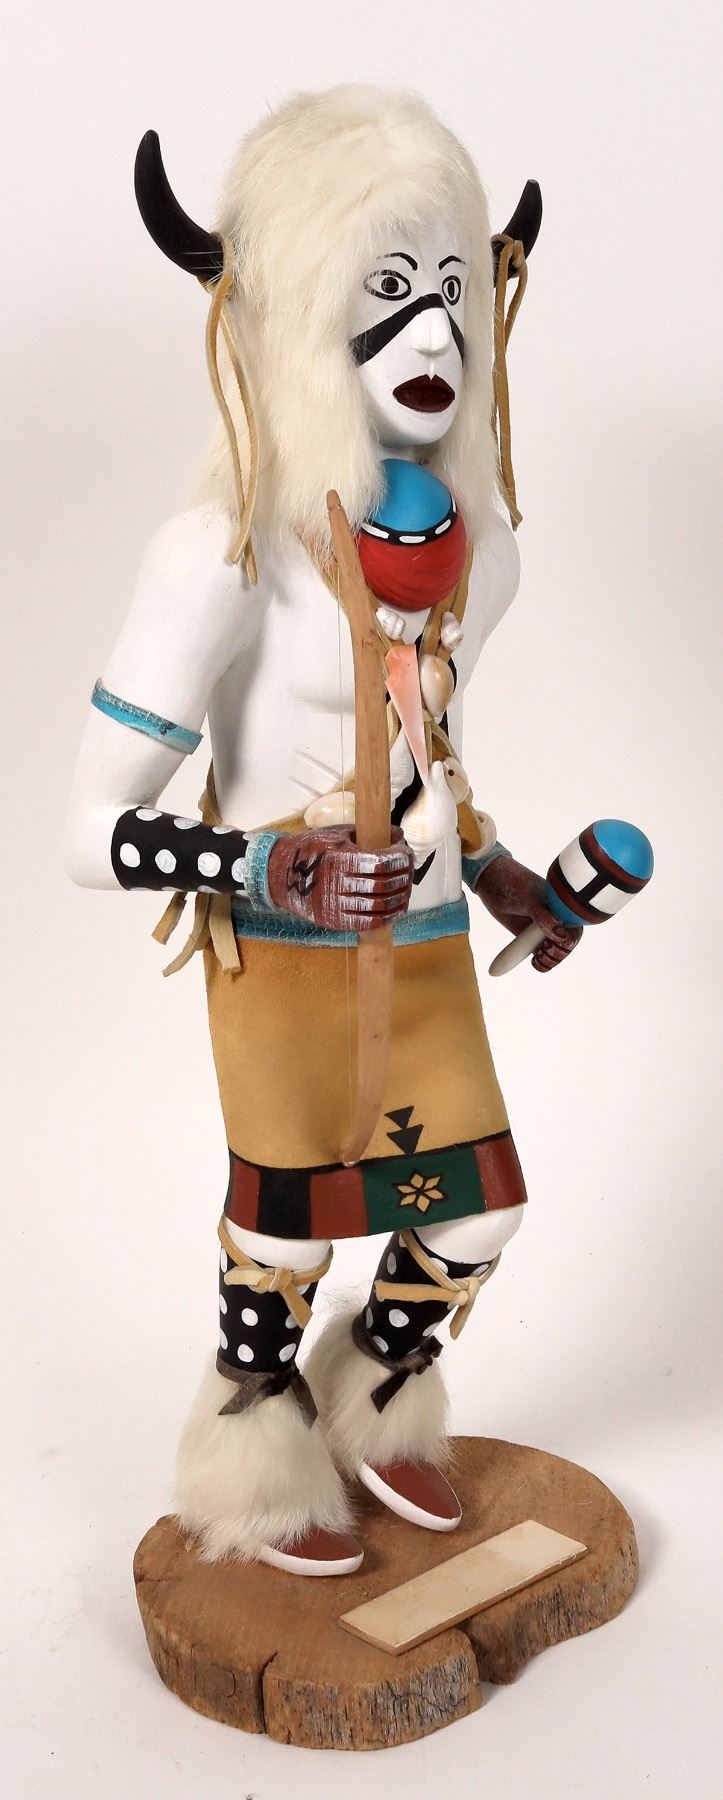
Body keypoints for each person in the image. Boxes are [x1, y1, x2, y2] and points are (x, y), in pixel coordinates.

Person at [65, 85, 579, 1578]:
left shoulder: (478, 561)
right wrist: (262, 861)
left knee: (477, 1218)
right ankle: (254, 1427)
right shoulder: (218, 558)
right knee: (288, 1234)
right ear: (291, 319)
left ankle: (383, 1395)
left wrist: (506, 877)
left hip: (424, 942)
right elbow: (87, 829)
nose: (434, 339)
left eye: (451, 293)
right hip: (281, 960)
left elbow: (437, 760)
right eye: (383, 292)